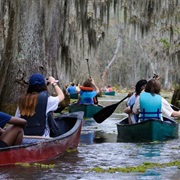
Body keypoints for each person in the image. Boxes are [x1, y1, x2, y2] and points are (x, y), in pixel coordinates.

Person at [15, 73, 64, 137]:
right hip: (42, 138)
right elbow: (61, 96)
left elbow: (17, 119)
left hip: (24, 137)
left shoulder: (23, 100)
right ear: (44, 85)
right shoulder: (48, 100)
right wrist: (53, 82)